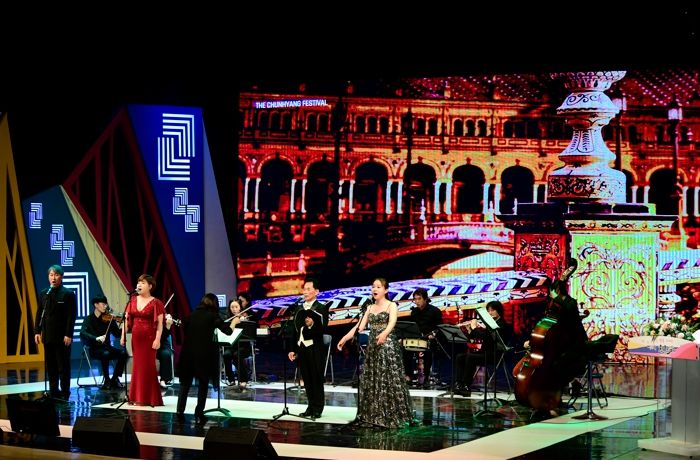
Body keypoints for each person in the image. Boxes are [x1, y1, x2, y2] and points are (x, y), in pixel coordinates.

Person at [338, 277, 413, 428]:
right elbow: (359, 327)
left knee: (387, 379)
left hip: (387, 345)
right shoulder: (369, 307)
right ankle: (373, 414)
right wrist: (345, 338)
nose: (375, 289)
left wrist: (384, 333)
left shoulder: (391, 305)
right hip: (373, 346)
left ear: (386, 290)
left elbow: (392, 322)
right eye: (373, 286)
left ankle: (391, 414)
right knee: (374, 379)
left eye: (378, 287)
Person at [176, 293, 233, 424]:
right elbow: (228, 331)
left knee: (185, 384)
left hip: (188, 353)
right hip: (204, 355)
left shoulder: (191, 315)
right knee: (203, 384)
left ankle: (179, 411)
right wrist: (234, 322)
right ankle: (199, 412)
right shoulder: (213, 316)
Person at [34, 264, 77, 400]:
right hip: (48, 336)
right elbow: (39, 313)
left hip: (62, 336)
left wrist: (68, 334)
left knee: (63, 366)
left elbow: (71, 316)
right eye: (51, 275)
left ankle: (65, 392)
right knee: (51, 366)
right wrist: (37, 331)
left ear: (61, 277)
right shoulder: (44, 293)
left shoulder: (68, 294)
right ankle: (53, 391)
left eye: (56, 275)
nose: (53, 278)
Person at [120, 274, 165, 406]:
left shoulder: (156, 303)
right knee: (137, 366)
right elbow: (126, 321)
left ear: (150, 286)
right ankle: (136, 396)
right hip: (136, 339)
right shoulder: (132, 300)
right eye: (138, 282)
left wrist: (158, 339)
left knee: (148, 367)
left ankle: (150, 398)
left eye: (143, 283)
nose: (139, 285)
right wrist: (123, 335)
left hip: (149, 339)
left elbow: (160, 324)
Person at [288, 277, 329, 419]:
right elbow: (295, 331)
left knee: (316, 378)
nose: (305, 292)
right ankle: (310, 406)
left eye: (308, 289)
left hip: (315, 348)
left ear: (316, 291)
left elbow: (322, 329)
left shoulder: (321, 308)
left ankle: (318, 408)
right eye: (304, 289)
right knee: (306, 378)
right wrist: (292, 349)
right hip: (302, 348)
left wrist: (312, 325)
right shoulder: (299, 308)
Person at [454, 300, 513, 397]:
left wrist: (474, 328)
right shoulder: (491, 324)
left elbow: (485, 336)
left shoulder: (501, 325)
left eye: (492, 310)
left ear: (499, 311)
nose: (490, 313)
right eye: (488, 311)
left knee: (471, 357)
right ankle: (459, 385)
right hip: (484, 352)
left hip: (495, 355)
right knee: (460, 357)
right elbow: (479, 336)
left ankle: (466, 386)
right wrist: (469, 329)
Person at [79, 295, 128, 390]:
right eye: (103, 304)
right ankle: (107, 380)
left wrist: (125, 326)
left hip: (107, 348)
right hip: (94, 349)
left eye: (106, 304)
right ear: (96, 305)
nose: (106, 306)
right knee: (105, 354)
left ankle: (114, 378)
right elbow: (82, 333)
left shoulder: (109, 319)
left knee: (123, 353)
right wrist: (96, 338)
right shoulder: (88, 319)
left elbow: (117, 334)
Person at [403, 288, 443, 388]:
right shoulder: (414, 312)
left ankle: (426, 377)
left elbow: (440, 328)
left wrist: (433, 335)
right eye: (415, 299)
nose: (417, 301)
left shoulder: (435, 311)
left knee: (428, 352)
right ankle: (408, 376)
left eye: (419, 299)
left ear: (425, 299)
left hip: (429, 339)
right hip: (416, 339)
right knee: (405, 350)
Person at [222, 299, 251, 390]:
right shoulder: (227, 319)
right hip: (232, 346)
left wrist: (244, 321)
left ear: (240, 308)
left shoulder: (245, 318)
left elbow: (249, 335)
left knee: (237, 355)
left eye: (236, 307)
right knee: (226, 354)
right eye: (232, 307)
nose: (234, 309)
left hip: (244, 347)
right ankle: (231, 379)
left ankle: (244, 380)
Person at [156, 313, 176, 388]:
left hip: (161, 344)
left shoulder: (162, 315)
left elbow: (163, 337)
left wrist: (168, 326)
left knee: (166, 354)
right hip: (148, 344)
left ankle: (163, 379)